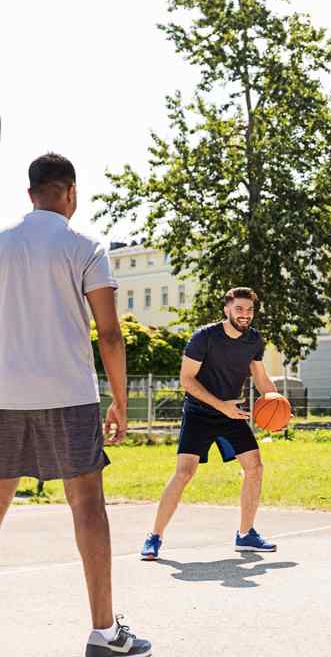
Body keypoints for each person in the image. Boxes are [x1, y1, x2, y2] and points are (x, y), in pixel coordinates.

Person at [0, 153, 151, 656]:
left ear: (30, 194)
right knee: (87, 505)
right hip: (69, 396)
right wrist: (121, 403)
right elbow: (110, 333)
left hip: (3, 396)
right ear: (70, 192)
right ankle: (104, 633)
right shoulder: (86, 246)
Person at [140, 287, 279, 560]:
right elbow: (187, 380)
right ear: (226, 309)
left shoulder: (253, 340)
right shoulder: (204, 337)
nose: (245, 314)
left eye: (249, 310)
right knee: (184, 472)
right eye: (239, 309)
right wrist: (221, 406)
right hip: (200, 412)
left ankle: (246, 534)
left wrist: (277, 403)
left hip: (231, 412)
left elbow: (261, 378)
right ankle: (154, 536)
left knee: (255, 467)